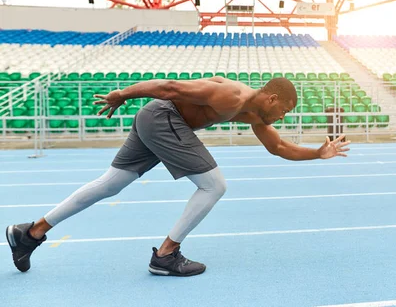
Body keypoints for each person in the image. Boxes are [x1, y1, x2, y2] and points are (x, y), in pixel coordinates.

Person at [6, 77, 351, 277]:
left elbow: (277, 148)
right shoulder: (232, 95)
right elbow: (170, 88)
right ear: (274, 97)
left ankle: (30, 232)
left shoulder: (253, 114)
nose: (283, 116)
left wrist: (317, 153)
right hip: (163, 116)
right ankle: (166, 255)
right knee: (214, 185)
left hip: (157, 122)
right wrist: (122, 94)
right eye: (284, 110)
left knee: (110, 184)